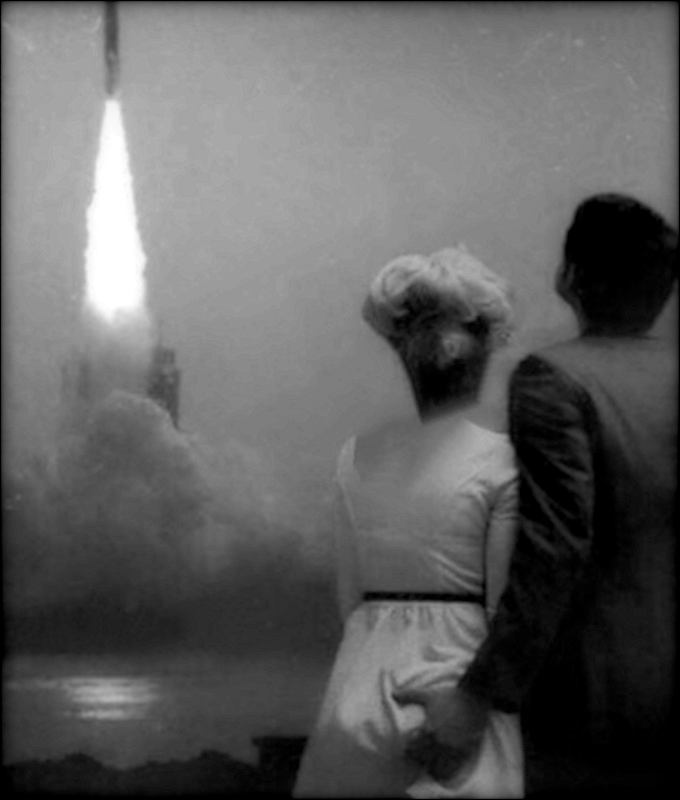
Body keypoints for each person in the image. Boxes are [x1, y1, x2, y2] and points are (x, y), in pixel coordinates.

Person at [394, 194, 677, 795]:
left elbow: (556, 547)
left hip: (595, 703)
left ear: (569, 277)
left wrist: (475, 698)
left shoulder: (554, 378)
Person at [294, 245, 524, 797]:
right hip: (460, 697)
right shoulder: (504, 460)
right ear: (484, 350)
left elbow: (349, 599)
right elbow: (504, 610)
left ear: (401, 351)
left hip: (358, 696)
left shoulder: (355, 456)